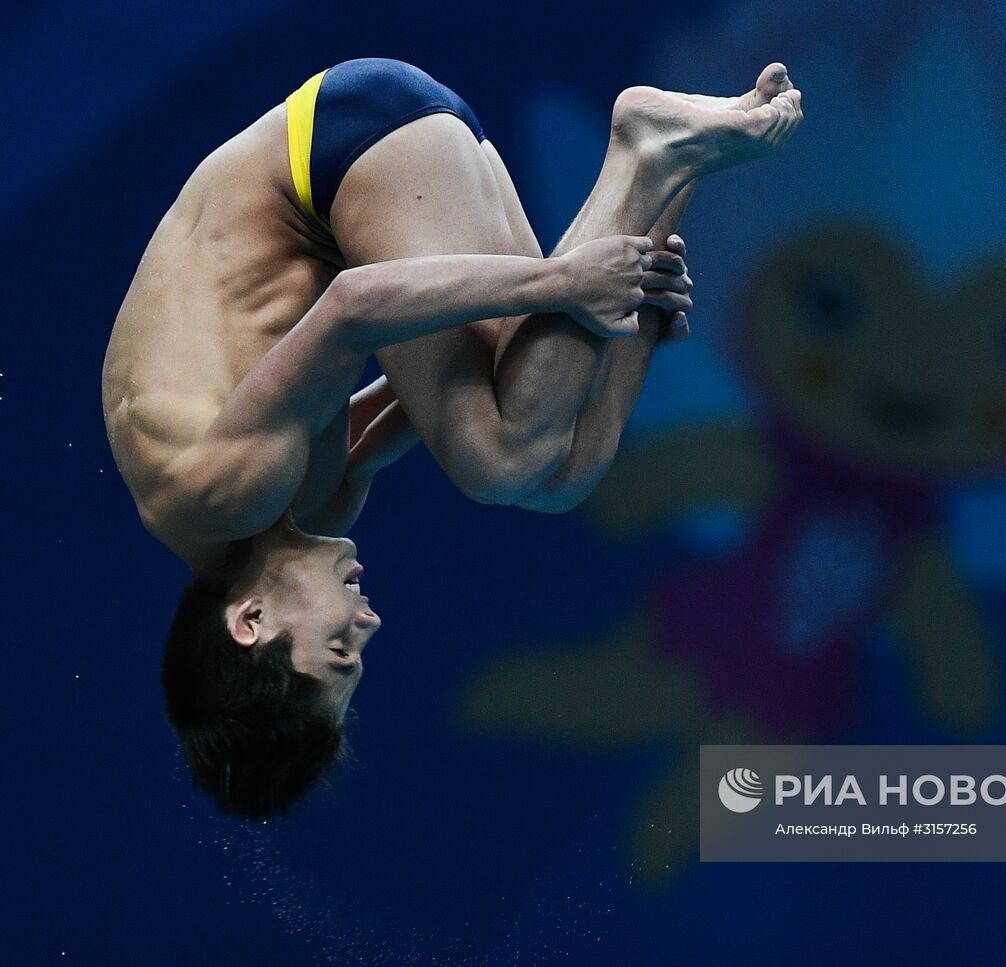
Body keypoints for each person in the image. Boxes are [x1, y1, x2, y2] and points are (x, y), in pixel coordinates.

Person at [100, 57, 803, 819]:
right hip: (395, 165)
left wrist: (566, 285)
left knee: (497, 458)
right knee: (559, 474)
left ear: (251, 622)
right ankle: (668, 187)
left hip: (341, 147)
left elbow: (351, 308)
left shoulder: (216, 488)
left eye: (340, 650)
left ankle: (648, 153)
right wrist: (614, 327)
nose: (367, 625)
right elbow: (416, 395)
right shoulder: (301, 513)